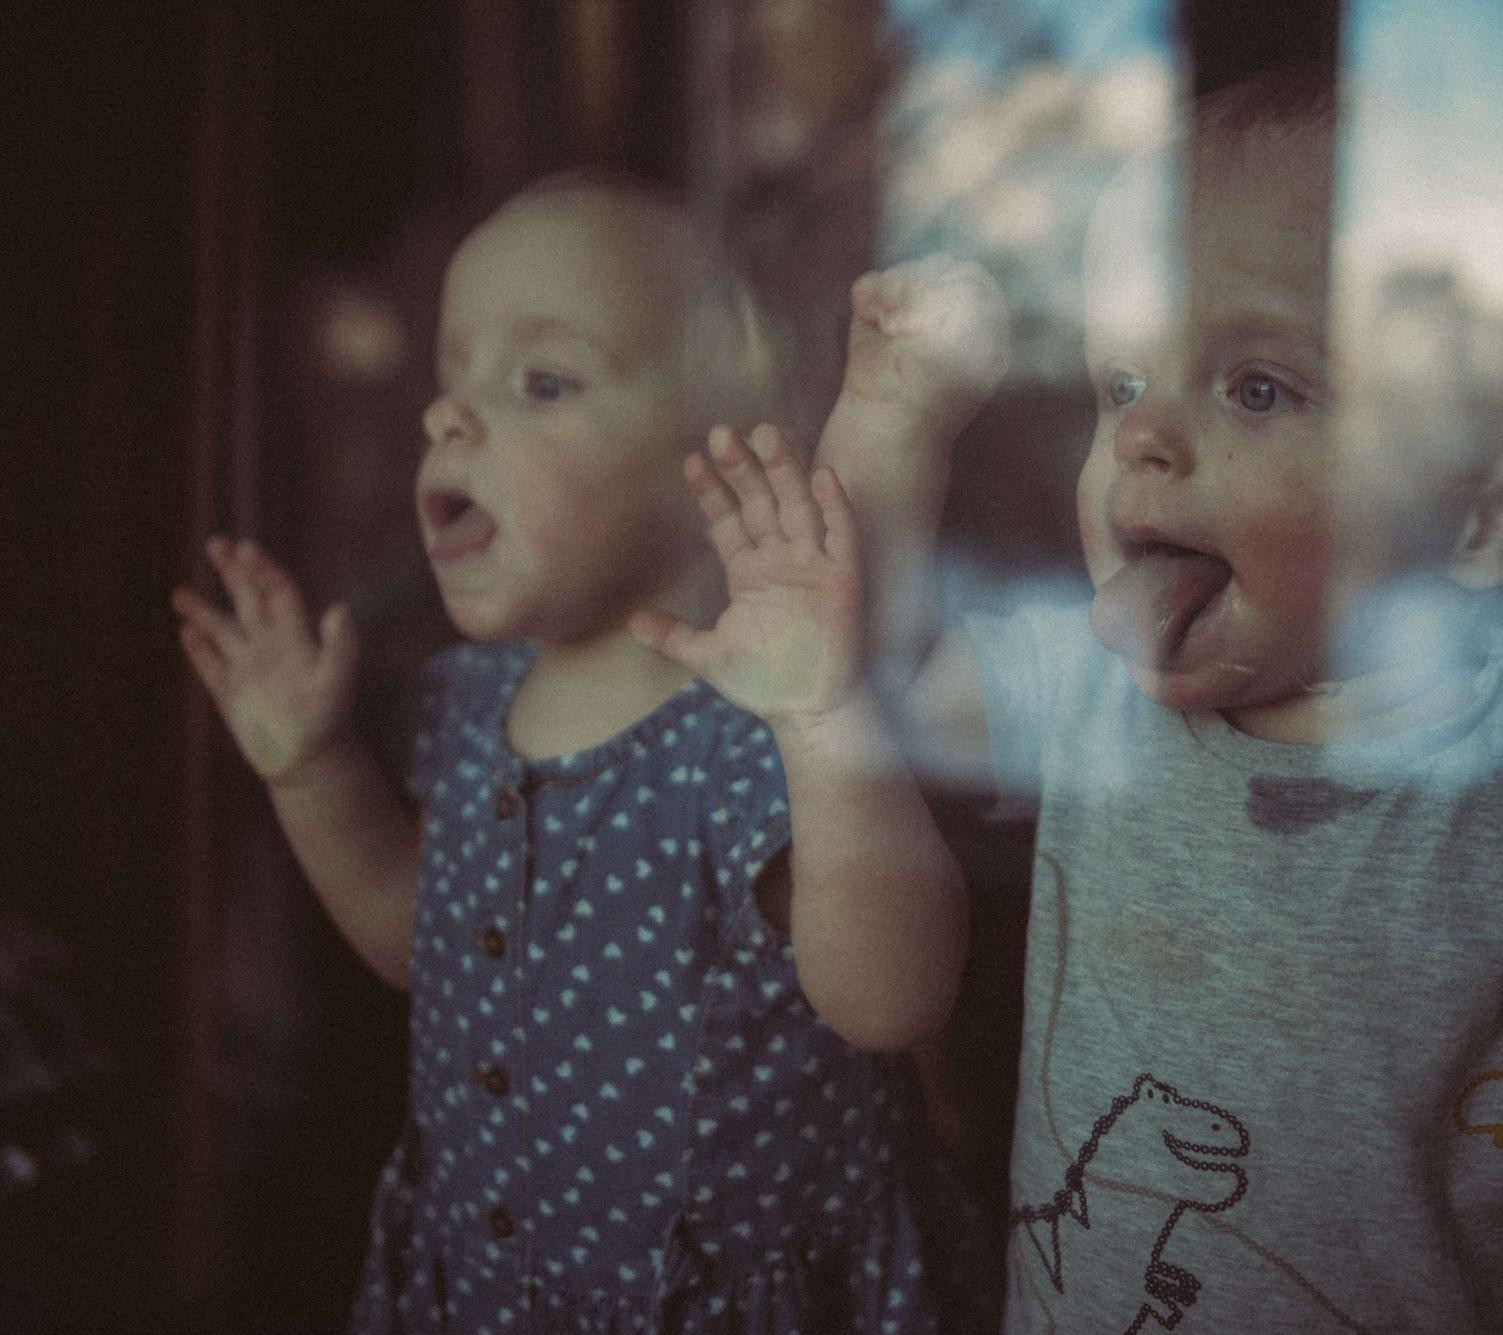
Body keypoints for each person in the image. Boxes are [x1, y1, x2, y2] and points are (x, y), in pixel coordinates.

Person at [664, 68, 1503, 1331]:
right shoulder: (1091, 690)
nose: (1145, 439)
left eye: (1258, 386)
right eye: (1122, 383)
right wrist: (891, 423)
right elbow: (880, 680)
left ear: (1489, 520)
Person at [172, 170, 992, 1333]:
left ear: (709, 454)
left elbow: (893, 999)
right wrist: (310, 770)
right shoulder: (465, 699)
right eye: (450, 384)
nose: (447, 420)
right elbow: (428, 944)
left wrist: (824, 717)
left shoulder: (750, 713)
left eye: (540, 381)